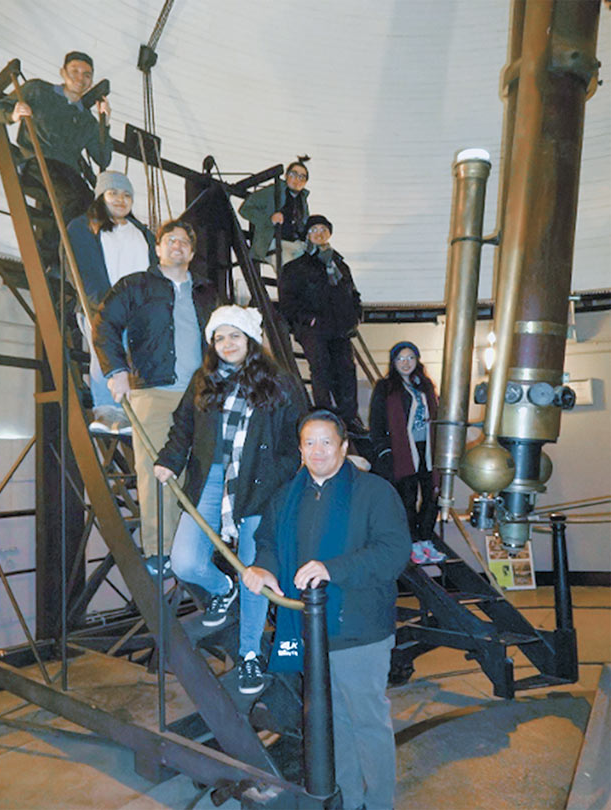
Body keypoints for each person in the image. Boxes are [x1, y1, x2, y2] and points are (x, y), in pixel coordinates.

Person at [244, 410, 410, 810]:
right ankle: (351, 801)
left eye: (326, 442)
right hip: (310, 633)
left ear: (344, 446)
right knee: (335, 726)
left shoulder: (374, 492)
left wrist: (331, 570)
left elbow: (393, 553)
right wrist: (263, 567)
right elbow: (267, 539)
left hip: (359, 630)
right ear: (300, 449)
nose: (318, 451)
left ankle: (380, 804)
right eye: (309, 443)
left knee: (367, 722)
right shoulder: (287, 495)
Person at [153, 305, 306, 693]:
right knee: (185, 561)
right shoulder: (203, 381)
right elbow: (183, 426)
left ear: (251, 339)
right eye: (219, 338)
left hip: (260, 483)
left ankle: (250, 655)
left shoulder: (281, 383)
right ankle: (223, 590)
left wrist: (279, 475)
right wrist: (170, 460)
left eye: (234, 335)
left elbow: (295, 438)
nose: (226, 344)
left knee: (253, 572)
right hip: (211, 477)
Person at [92, 220, 217, 576]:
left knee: (203, 473)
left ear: (191, 253)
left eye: (184, 242)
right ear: (158, 248)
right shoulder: (136, 286)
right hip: (154, 392)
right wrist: (115, 371)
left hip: (202, 396)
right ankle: (161, 550)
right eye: (170, 240)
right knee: (156, 472)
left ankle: (193, 550)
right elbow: (105, 324)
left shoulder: (207, 292)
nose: (177, 246)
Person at [0, 51, 113, 267]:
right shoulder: (38, 90)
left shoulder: (87, 120)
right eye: (74, 71)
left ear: (91, 80)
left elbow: (103, 156)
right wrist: (14, 113)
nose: (80, 77)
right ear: (62, 72)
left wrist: (105, 123)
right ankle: (55, 258)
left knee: (94, 210)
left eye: (87, 74)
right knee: (72, 201)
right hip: (37, 161)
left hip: (69, 173)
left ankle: (71, 261)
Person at [65, 171, 157, 435]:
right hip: (101, 307)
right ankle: (106, 412)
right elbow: (82, 272)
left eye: (127, 195)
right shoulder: (82, 227)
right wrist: (106, 305)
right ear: (100, 196)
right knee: (104, 354)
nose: (120, 199)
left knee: (136, 361)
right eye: (113, 193)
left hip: (139, 310)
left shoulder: (144, 234)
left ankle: (132, 414)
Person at [278, 215, 367, 435]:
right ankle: (324, 416)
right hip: (314, 329)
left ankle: (349, 419)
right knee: (321, 369)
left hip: (340, 328)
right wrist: (308, 320)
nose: (319, 233)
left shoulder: (340, 265)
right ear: (307, 236)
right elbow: (288, 301)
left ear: (329, 234)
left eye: (323, 230)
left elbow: (352, 293)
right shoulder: (295, 267)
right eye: (314, 230)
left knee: (347, 371)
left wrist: (356, 315)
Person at [369, 341, 444, 564]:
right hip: (403, 451)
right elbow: (376, 421)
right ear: (393, 362)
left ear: (417, 360)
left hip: (428, 450)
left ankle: (425, 539)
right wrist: (384, 450)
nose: (406, 362)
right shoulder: (385, 387)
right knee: (407, 498)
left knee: (433, 495)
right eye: (401, 358)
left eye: (410, 357)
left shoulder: (426, 385)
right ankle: (412, 543)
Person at [239, 160, 310, 266]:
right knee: (290, 270)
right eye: (293, 174)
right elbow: (245, 209)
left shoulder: (302, 201)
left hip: (295, 244)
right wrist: (269, 219)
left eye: (302, 177)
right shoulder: (274, 191)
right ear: (286, 176)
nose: (297, 179)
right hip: (272, 242)